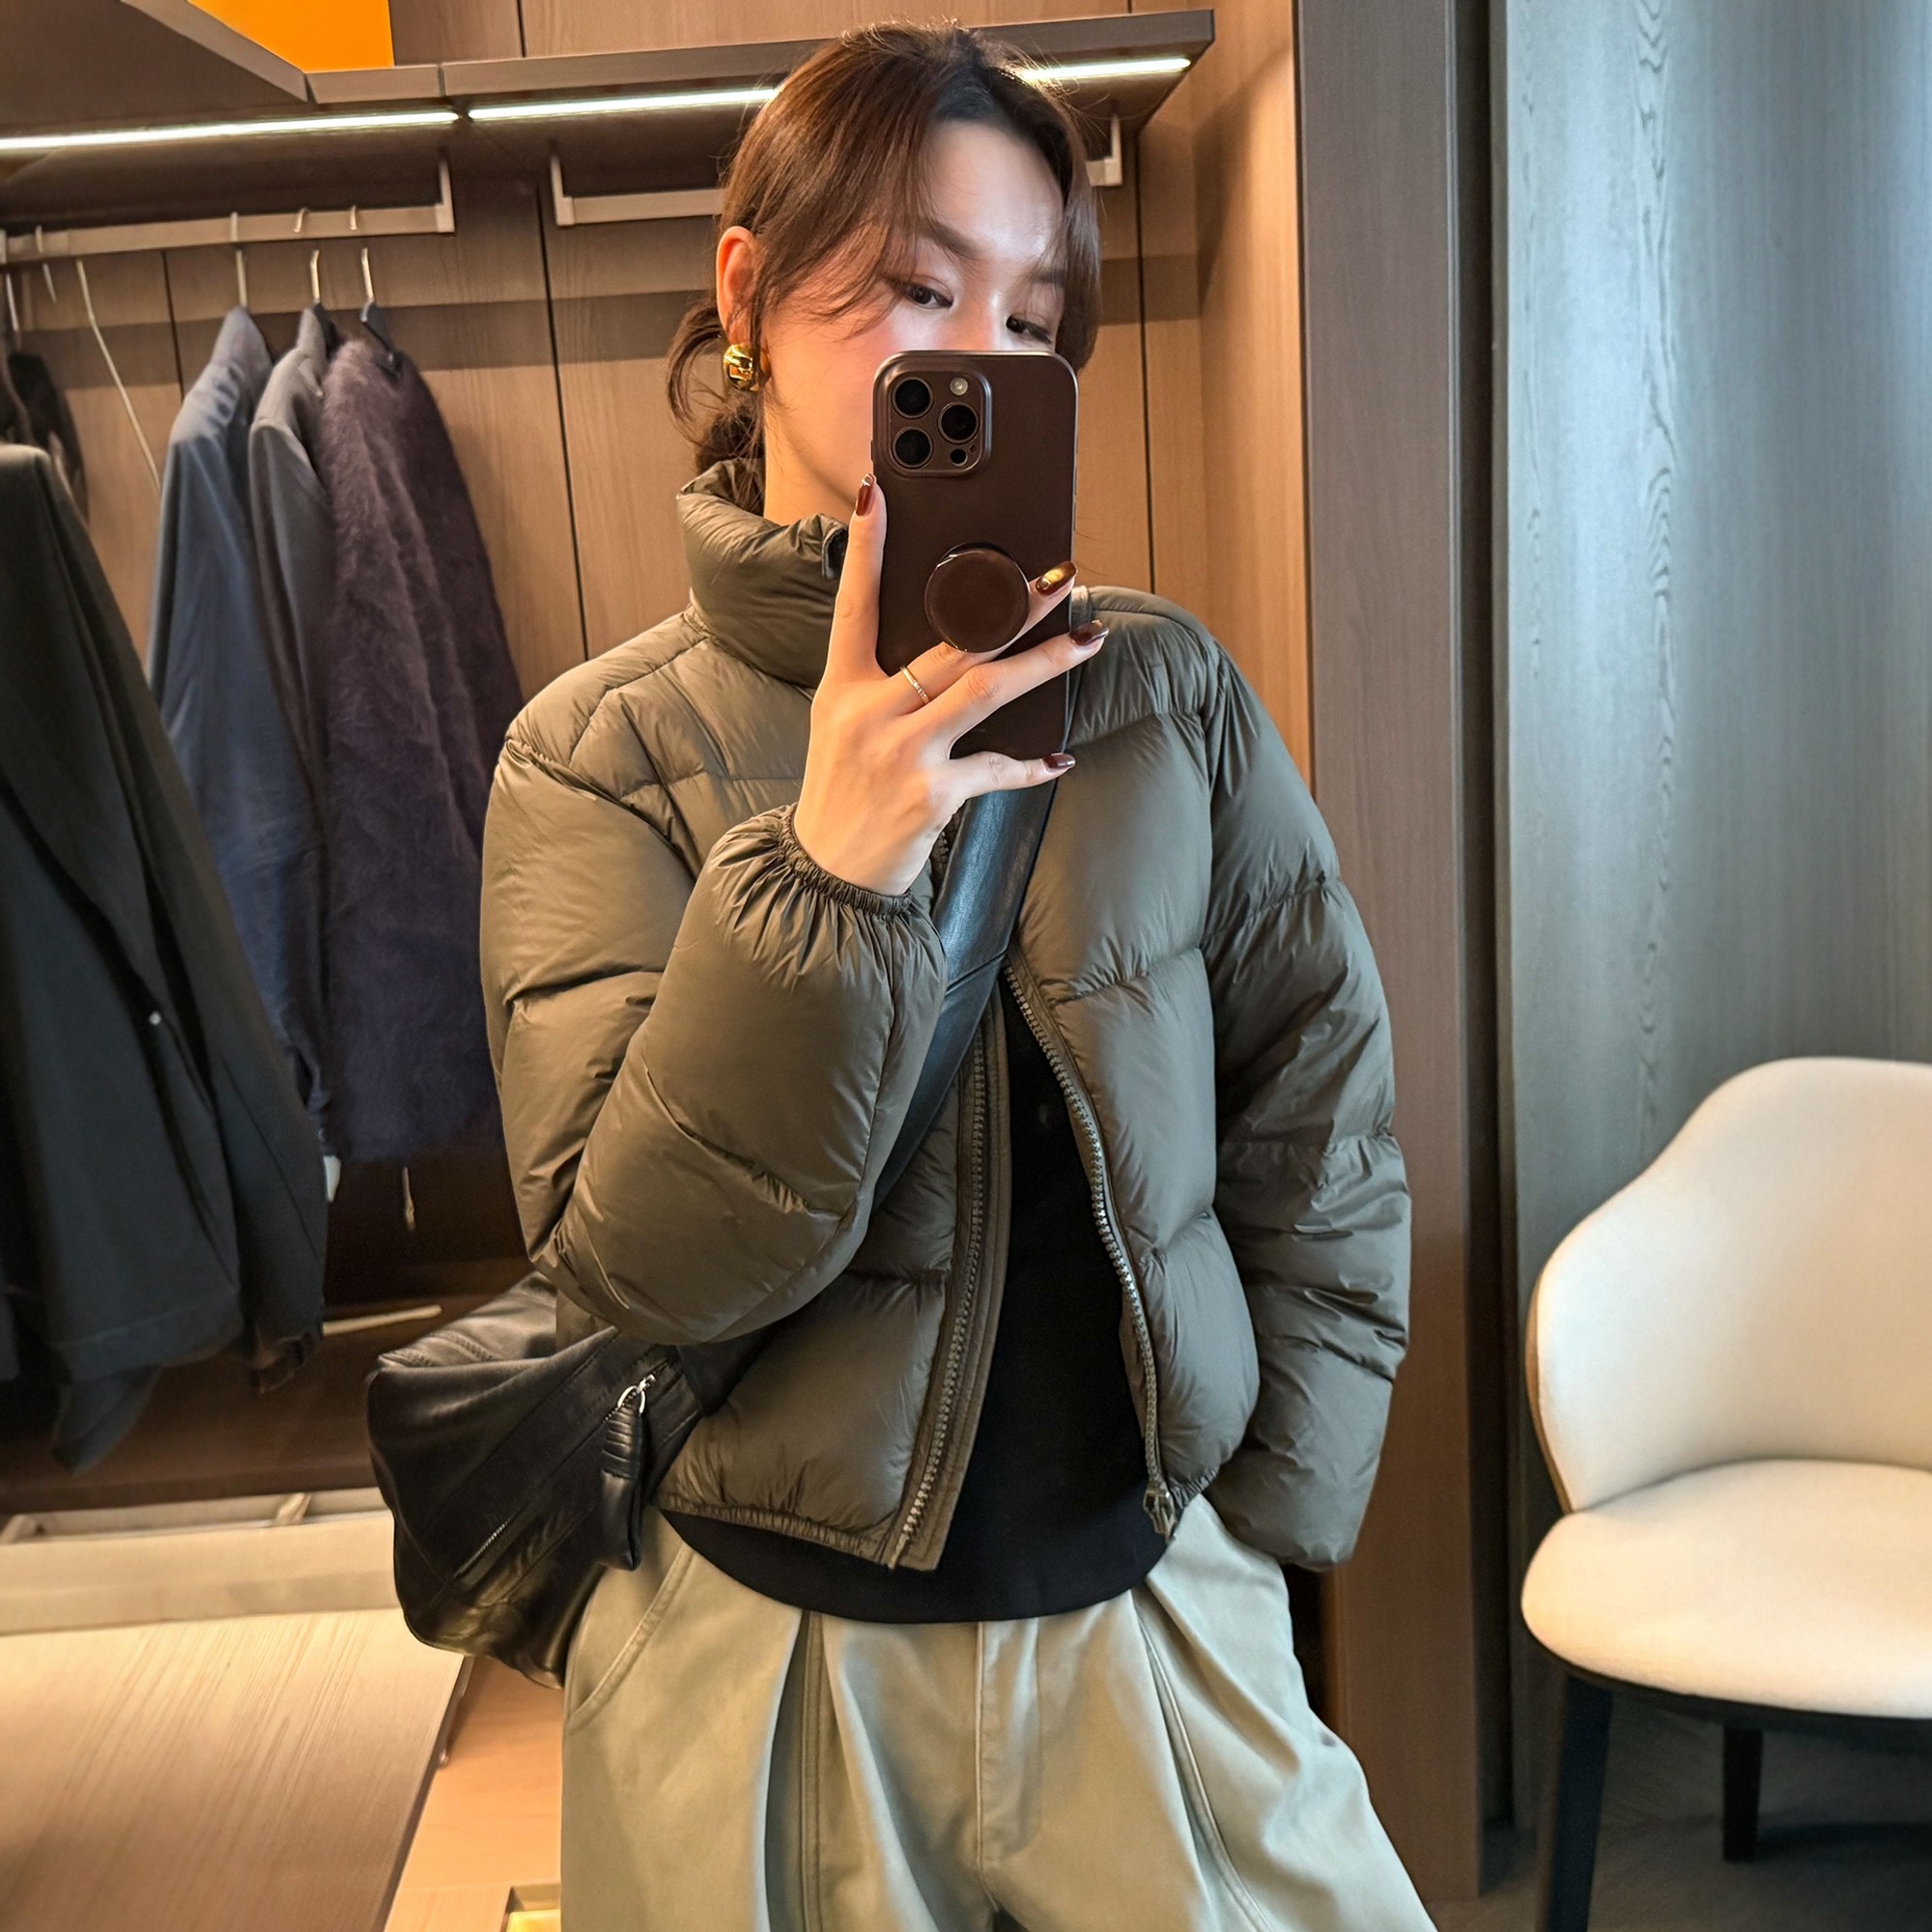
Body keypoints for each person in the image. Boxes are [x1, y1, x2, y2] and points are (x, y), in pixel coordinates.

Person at [480, 23, 1433, 1931]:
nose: (983, 355)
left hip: (1149, 1609)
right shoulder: (595, 757)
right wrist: (827, 870)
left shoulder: (1166, 698)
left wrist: (1266, 1524)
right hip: (763, 1650)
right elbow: (638, 1265)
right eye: (921, 289)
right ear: (746, 298)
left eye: (1033, 313)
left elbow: (1321, 1124)